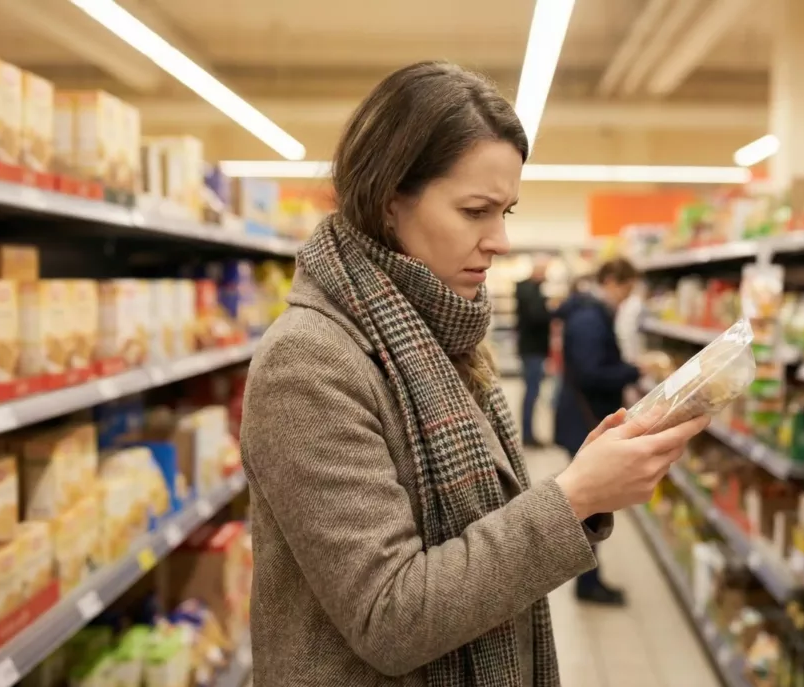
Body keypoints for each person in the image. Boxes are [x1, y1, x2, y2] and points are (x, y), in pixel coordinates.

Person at [241, 61, 709, 687]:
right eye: (475, 211)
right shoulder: (307, 362)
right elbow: (390, 616)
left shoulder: (442, 334)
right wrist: (574, 498)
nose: (501, 241)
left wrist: (585, 479)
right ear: (388, 203)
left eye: (506, 211)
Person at [554, 258, 643, 607]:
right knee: (589, 504)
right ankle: (588, 583)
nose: (626, 299)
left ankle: (589, 578)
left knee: (590, 503)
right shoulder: (591, 318)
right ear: (610, 281)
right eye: (625, 289)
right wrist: (631, 371)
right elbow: (592, 373)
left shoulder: (587, 312)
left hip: (582, 416)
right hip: (584, 419)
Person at [514, 255, 552, 447]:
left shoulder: (530, 289)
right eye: (544, 271)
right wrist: (551, 310)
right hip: (532, 349)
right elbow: (536, 316)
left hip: (533, 349)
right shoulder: (528, 289)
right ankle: (528, 435)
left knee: (532, 392)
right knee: (531, 392)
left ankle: (530, 433)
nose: (546, 275)